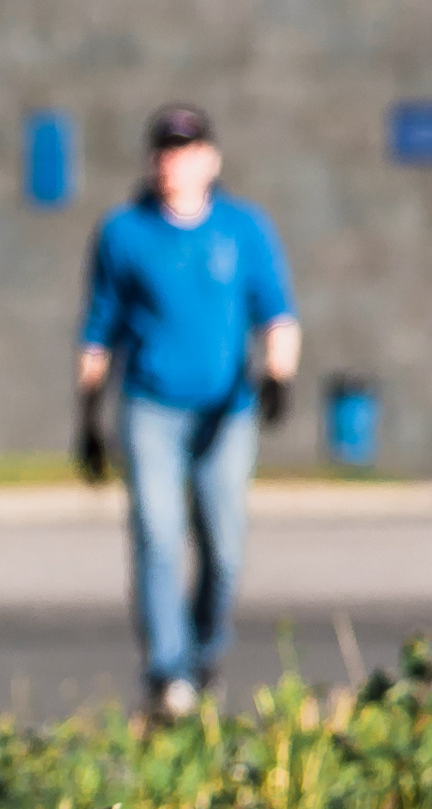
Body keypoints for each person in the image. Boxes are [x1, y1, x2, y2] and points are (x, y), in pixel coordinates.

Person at [75, 103, 300, 722]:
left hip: (226, 410)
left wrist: (279, 375)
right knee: (156, 533)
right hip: (151, 405)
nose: (173, 164)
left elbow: (277, 311)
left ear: (210, 159)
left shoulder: (242, 229)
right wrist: (88, 415)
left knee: (223, 545)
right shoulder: (125, 232)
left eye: (186, 150)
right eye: (164, 152)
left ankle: (205, 656)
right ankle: (167, 672)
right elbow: (99, 329)